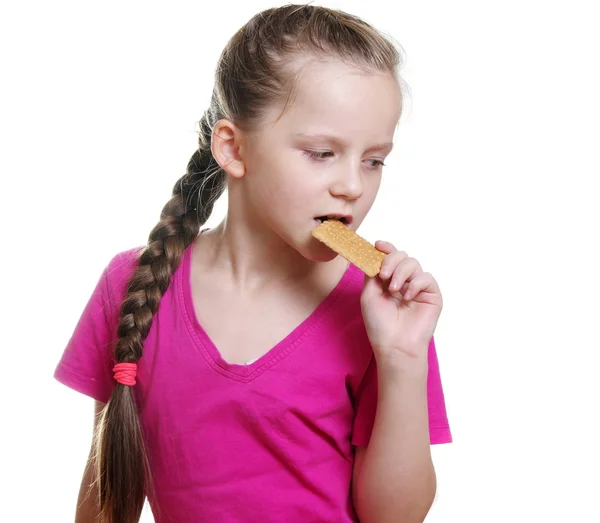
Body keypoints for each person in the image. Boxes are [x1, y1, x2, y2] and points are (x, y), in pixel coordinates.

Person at [54, 4, 452, 523]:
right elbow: (108, 493)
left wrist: (402, 360)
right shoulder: (132, 284)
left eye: (373, 160)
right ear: (233, 148)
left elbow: (395, 517)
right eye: (321, 153)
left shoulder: (381, 308)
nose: (353, 186)